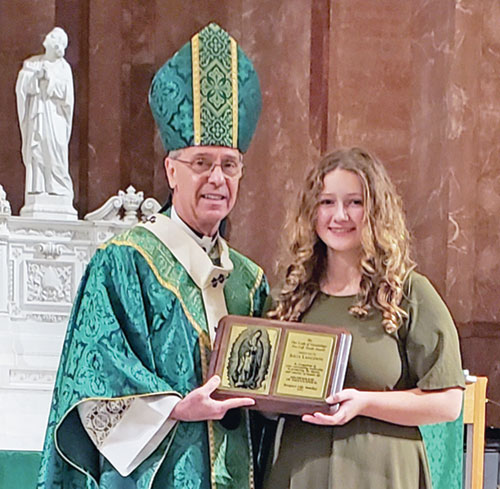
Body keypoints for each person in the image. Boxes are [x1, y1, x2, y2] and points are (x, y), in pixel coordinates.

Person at [37, 23, 268, 489]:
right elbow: (92, 381)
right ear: (172, 171)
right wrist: (179, 408)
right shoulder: (123, 263)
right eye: (201, 163)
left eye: (229, 164)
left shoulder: (250, 281)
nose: (217, 179)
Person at [264, 147, 464, 489]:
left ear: (376, 211)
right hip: (299, 468)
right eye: (326, 202)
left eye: (354, 202)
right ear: (311, 211)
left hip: (382, 470)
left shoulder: (408, 293)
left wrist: (365, 402)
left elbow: (448, 403)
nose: (339, 215)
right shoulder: (288, 296)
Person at [16, 27, 74, 198]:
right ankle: (38, 187)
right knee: (37, 147)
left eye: (53, 36)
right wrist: (35, 78)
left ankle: (59, 186)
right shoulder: (32, 63)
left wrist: (50, 80)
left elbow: (67, 94)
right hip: (38, 112)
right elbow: (21, 87)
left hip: (55, 115)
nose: (48, 36)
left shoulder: (64, 67)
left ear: (58, 46)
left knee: (55, 147)